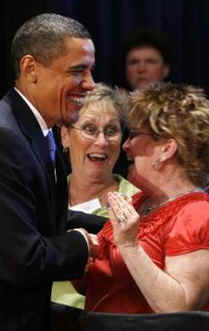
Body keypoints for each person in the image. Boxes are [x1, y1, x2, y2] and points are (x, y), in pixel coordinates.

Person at [0, 12, 101, 331]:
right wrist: (84, 244)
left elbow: (45, 215)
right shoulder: (6, 138)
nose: (90, 84)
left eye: (91, 71)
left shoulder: (41, 130)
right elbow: (24, 260)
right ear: (31, 69)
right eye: (77, 71)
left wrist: (114, 229)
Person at [73, 82, 209, 314]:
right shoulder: (138, 202)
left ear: (167, 148)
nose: (125, 145)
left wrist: (129, 245)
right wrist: (78, 257)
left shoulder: (197, 214)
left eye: (134, 135)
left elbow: (178, 309)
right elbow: (105, 287)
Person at [52, 83, 139, 308]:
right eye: (90, 129)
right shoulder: (42, 194)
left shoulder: (139, 204)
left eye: (111, 131)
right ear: (65, 136)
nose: (101, 142)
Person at [113, 29, 174, 179]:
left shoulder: (180, 111)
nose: (141, 69)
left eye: (150, 62)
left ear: (165, 69)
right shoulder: (112, 109)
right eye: (134, 62)